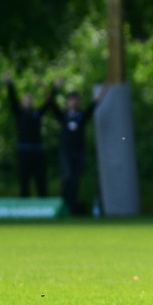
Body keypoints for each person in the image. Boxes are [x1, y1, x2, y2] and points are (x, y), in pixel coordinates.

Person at [49, 79, 106, 215]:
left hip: (79, 152)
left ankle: (72, 208)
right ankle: (63, 205)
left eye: (76, 100)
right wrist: (55, 88)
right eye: (72, 100)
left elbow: (94, 104)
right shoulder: (64, 116)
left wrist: (104, 89)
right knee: (67, 177)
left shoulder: (82, 116)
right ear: (68, 102)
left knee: (75, 180)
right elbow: (50, 104)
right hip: (66, 152)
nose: (74, 102)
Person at [4, 72, 54, 198]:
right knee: (24, 180)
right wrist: (9, 84)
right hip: (23, 151)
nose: (28, 102)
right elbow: (12, 99)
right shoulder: (20, 114)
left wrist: (46, 88)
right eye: (26, 100)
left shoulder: (37, 114)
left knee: (40, 180)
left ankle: (43, 205)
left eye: (30, 100)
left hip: (37, 151)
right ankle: (24, 206)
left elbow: (49, 102)